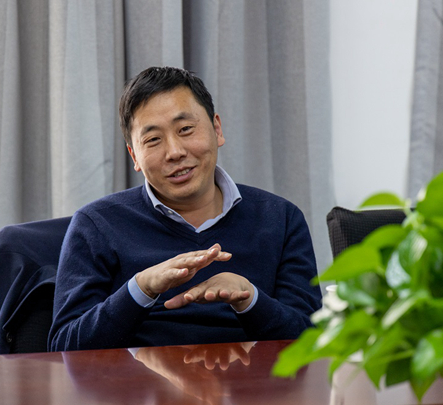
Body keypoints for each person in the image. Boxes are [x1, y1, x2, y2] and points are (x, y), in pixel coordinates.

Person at [48, 66, 322, 352]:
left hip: (254, 380)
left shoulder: (281, 219)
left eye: (186, 130)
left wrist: (249, 298)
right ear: (134, 155)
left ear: (217, 129)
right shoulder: (96, 225)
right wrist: (142, 287)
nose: (175, 152)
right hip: (139, 380)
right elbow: (65, 347)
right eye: (153, 140)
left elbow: (312, 344)